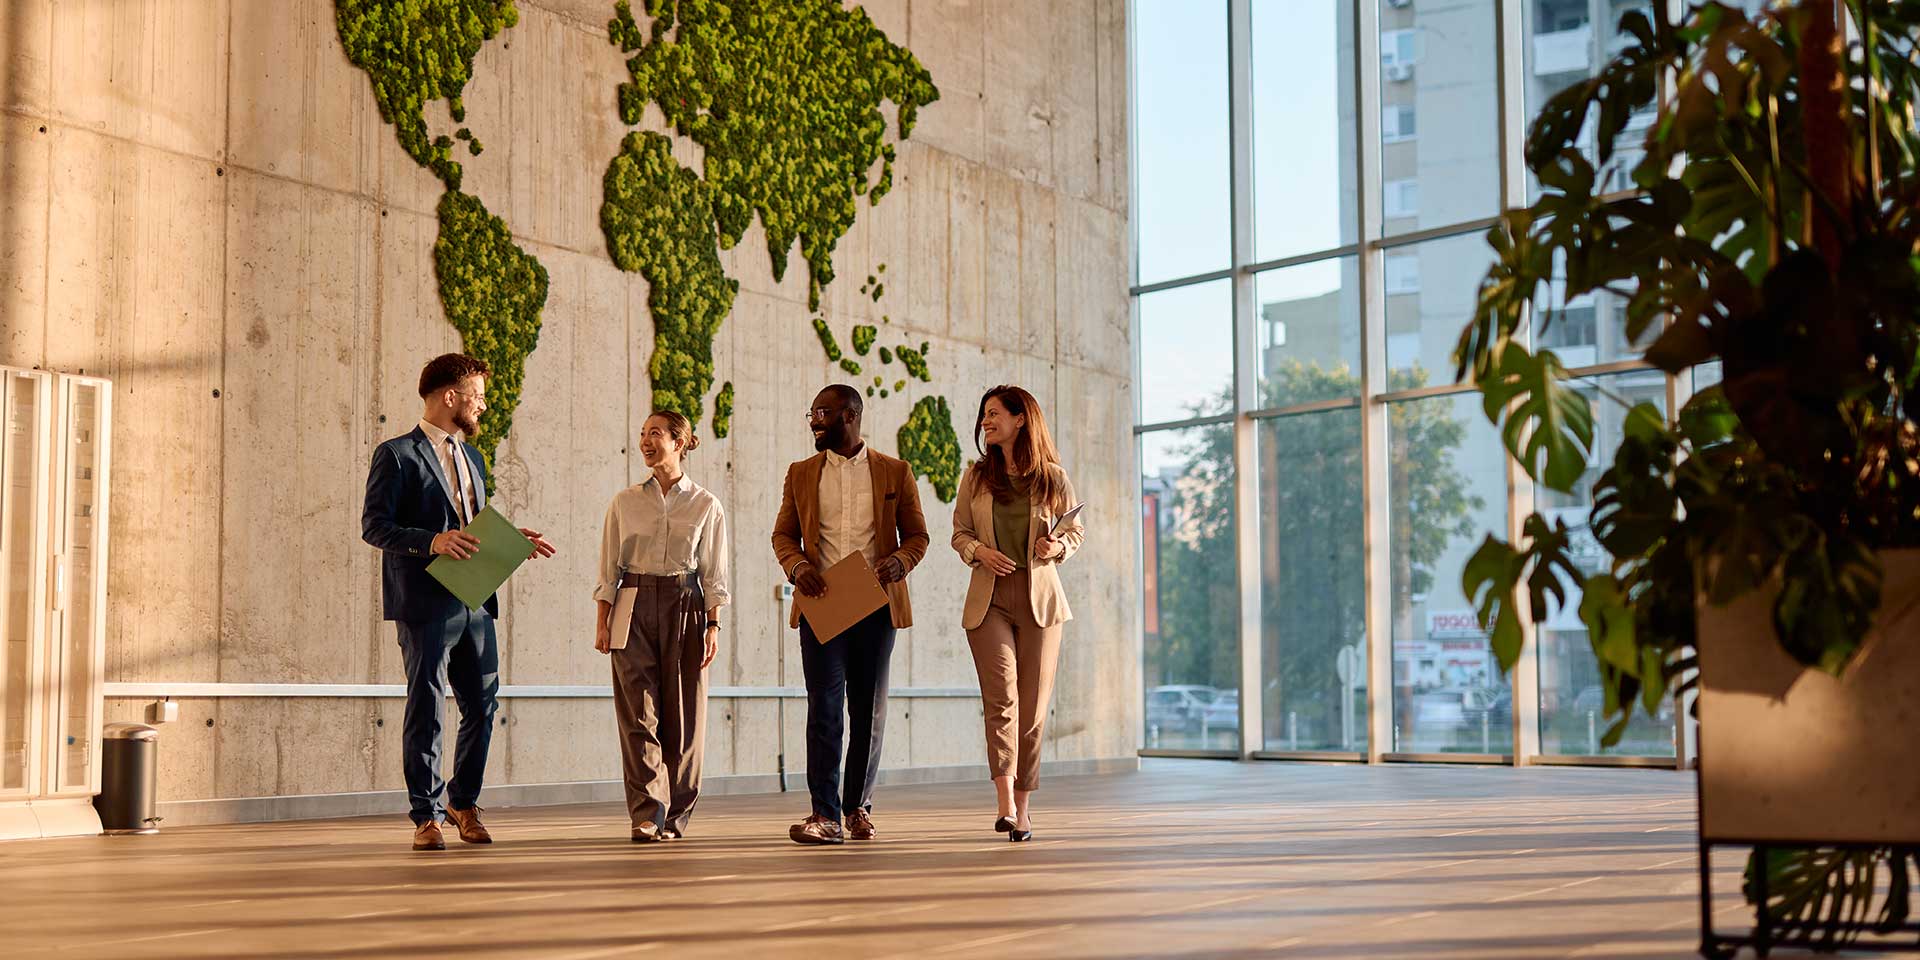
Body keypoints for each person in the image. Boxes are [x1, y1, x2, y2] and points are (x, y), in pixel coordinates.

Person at [362, 353, 557, 851]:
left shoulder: (473, 458)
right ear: (451, 397)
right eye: (478, 396)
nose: (484, 406)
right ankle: (425, 816)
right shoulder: (397, 454)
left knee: (483, 704)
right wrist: (433, 541)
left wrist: (510, 539)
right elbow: (375, 526)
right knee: (427, 703)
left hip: (476, 596)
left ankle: (462, 803)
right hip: (425, 600)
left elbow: (471, 524)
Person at [771, 384, 930, 844]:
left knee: (868, 709)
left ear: (851, 415)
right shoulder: (800, 473)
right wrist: (798, 568)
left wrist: (900, 562)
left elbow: (917, 536)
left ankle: (856, 807)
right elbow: (783, 535)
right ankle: (824, 815)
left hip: (876, 602)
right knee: (823, 707)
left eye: (824, 412)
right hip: (822, 601)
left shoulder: (895, 472)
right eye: (812, 413)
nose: (815, 421)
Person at [949, 385, 1084, 842]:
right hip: (989, 599)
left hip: (1040, 602)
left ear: (1020, 419)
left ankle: (1024, 810)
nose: (986, 422)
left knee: (1032, 711)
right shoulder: (976, 476)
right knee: (1001, 701)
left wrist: (1057, 544)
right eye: (983, 414)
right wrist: (979, 552)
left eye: (994, 414)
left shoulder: (1053, 478)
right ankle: (1004, 802)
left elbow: (1075, 532)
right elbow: (959, 533)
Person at [593, 411, 729, 843]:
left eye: (655, 433)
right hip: (631, 602)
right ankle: (647, 811)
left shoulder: (706, 504)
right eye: (642, 434)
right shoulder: (624, 501)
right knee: (637, 712)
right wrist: (603, 620)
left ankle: (677, 814)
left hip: (687, 604)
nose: (646, 441)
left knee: (685, 715)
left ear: (680, 441)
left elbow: (714, 573)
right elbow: (608, 567)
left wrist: (713, 625)